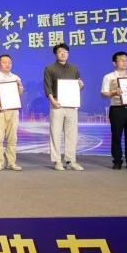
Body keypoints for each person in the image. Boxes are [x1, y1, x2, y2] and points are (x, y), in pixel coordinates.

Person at [43, 43, 84, 171]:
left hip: (71, 105)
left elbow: (77, 86)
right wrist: (52, 101)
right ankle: (57, 161)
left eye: (66, 52)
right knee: (55, 133)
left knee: (72, 134)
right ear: (56, 54)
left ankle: (71, 161)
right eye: (60, 51)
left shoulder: (74, 69)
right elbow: (48, 87)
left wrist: (80, 85)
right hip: (57, 104)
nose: (63, 54)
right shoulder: (50, 69)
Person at [0, 54, 25, 172]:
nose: (7, 65)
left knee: (12, 137)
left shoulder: (16, 77)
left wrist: (20, 88)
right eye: (4, 62)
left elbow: (19, 94)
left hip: (13, 110)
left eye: (9, 63)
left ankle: (11, 162)